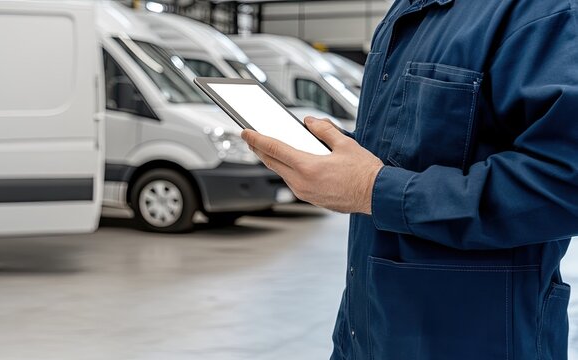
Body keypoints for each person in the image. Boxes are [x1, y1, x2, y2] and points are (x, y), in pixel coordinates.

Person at [240, 0, 578, 359]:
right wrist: (337, 155)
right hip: (368, 329)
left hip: (479, 336)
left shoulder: (542, 11)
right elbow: (410, 148)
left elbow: (564, 183)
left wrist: (370, 188)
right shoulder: (405, 11)